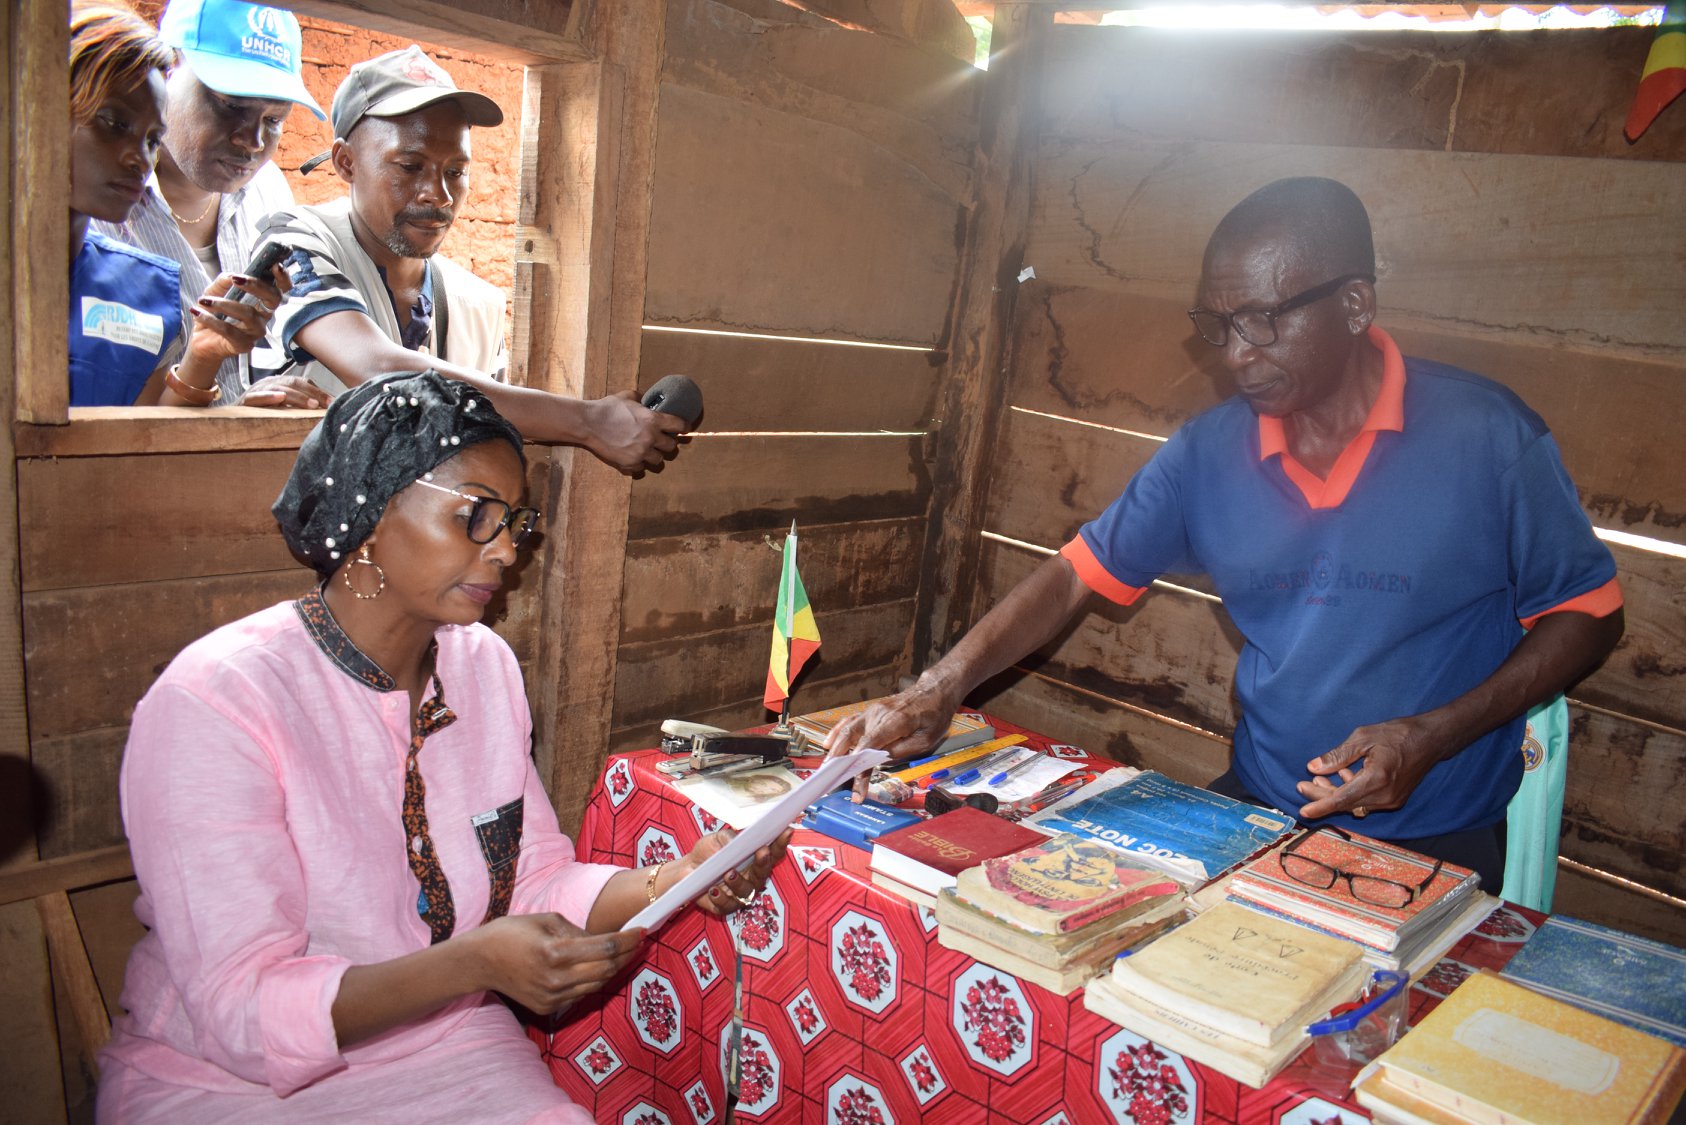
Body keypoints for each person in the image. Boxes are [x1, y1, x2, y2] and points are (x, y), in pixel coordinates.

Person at [827, 178, 1624, 891]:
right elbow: (1076, 573)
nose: (1237, 354)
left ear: (1353, 305)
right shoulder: (1211, 452)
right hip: (1260, 811)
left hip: (1435, 838)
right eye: (1220, 322)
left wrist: (1430, 735)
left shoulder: (1485, 436)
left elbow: (1590, 612)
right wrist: (939, 687)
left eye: (1265, 320)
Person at [98, 371, 789, 1121]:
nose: (505, 552)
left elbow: (530, 880)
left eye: (515, 523)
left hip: (447, 1040)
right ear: (371, 503)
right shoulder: (220, 700)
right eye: (477, 516)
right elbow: (240, 1013)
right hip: (232, 1081)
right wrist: (473, 962)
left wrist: (667, 884)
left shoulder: (480, 666)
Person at [253, 46, 684, 473]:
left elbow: (490, 432)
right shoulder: (296, 243)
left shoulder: (478, 306)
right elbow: (376, 367)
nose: (437, 194)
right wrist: (589, 422)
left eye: (455, 172)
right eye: (409, 166)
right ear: (346, 162)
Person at [91, 0, 329, 409]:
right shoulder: (97, 206)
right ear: (169, 70)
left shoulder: (267, 193)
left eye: (274, 120)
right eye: (231, 105)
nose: (252, 141)